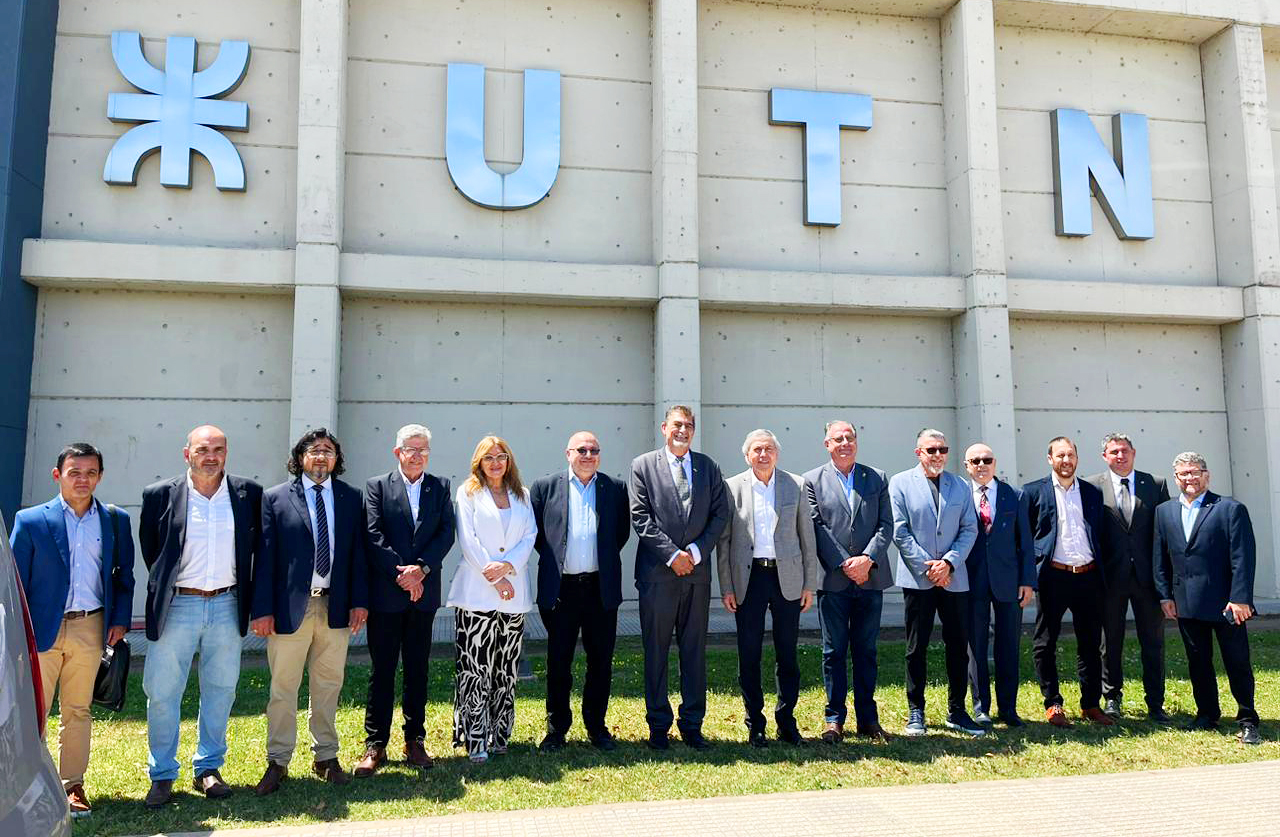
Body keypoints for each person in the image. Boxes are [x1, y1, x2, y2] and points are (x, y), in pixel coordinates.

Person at [138, 426, 262, 808]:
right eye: (203, 449)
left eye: (219, 449)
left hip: (227, 603)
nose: (211, 456)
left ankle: (208, 767)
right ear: (186, 453)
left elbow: (254, 546)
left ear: (227, 453)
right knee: (162, 693)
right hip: (179, 605)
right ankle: (162, 774)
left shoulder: (247, 494)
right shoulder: (160, 494)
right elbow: (152, 550)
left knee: (221, 690)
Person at [10, 442, 134, 817]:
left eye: (91, 473)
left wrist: (120, 619)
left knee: (77, 710)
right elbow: (14, 581)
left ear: (100, 476)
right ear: (57, 475)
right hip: (41, 630)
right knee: (33, 712)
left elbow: (123, 577)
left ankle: (71, 786)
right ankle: (25, 785)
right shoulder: (30, 521)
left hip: (90, 626)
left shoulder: (115, 521)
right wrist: (17, 631)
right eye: (74, 472)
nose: (83, 480)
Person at [251, 428, 369, 794]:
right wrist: (263, 610)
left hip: (334, 606)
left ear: (337, 459)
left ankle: (326, 756)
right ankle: (278, 759)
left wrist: (360, 602)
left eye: (328, 451)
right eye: (314, 450)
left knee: (328, 685)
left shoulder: (351, 498)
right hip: (289, 611)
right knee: (283, 687)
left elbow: (358, 555)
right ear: (300, 457)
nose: (321, 457)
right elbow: (265, 558)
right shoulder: (275, 498)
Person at [356, 424, 455, 776]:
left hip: (423, 594)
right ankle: (375, 744)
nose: (417, 455)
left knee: (417, 669)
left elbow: (447, 532)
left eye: (423, 449)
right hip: (387, 593)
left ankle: (414, 740)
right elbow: (372, 533)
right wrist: (402, 574)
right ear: (397, 452)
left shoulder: (440, 487)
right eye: (411, 449)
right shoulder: (377, 486)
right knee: (381, 671)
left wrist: (422, 570)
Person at [629, 405, 730, 751]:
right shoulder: (642, 466)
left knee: (693, 652)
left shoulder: (708, 467)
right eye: (677, 424)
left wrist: (696, 554)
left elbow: (721, 514)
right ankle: (658, 725)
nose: (682, 430)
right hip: (658, 576)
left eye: (688, 425)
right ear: (663, 428)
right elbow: (640, 518)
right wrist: (673, 556)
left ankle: (692, 724)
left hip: (696, 577)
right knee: (655, 652)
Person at [530, 430, 630, 752]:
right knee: (559, 662)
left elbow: (620, 534)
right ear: (568, 453)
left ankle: (596, 727)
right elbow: (537, 536)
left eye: (594, 450)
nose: (588, 455)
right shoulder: (545, 488)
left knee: (600, 661)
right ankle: (556, 729)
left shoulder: (614, 488)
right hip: (562, 591)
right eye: (582, 450)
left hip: (600, 589)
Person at [717, 429, 817, 746]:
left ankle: (786, 721)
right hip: (749, 579)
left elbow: (807, 539)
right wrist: (727, 587)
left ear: (777, 453)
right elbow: (725, 542)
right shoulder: (732, 488)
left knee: (787, 654)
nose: (764, 454)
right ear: (747, 455)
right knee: (749, 654)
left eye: (769, 449)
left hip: (787, 579)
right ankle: (755, 723)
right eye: (757, 449)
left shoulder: (796, 485)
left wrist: (809, 584)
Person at [1153, 452, 1261, 745]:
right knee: (1198, 662)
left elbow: (1243, 558)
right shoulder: (1164, 512)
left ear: (1207, 475)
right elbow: (1160, 558)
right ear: (1176, 478)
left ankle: (1248, 719)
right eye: (1183, 474)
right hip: (1186, 602)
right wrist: (1165, 596)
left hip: (1227, 604)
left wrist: (1240, 599)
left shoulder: (1229, 509)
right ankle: (1207, 714)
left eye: (1195, 472)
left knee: (1237, 662)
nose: (1190, 478)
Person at [803, 420, 894, 743]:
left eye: (850, 438)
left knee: (866, 651)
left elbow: (886, 525)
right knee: (834, 652)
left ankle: (868, 719)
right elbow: (816, 527)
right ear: (826, 444)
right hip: (834, 580)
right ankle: (834, 719)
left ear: (857, 442)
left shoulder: (877, 478)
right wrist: (845, 563)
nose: (845, 443)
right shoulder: (812, 481)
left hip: (871, 578)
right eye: (837, 439)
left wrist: (867, 560)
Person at [448, 435, 537, 764]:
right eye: (489, 458)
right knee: (475, 669)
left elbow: (530, 536)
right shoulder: (467, 492)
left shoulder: (522, 495)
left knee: (505, 669)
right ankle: (474, 738)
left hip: (514, 594)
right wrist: (495, 577)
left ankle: (499, 735)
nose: (496, 462)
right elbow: (468, 540)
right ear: (479, 463)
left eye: (501, 456)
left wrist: (508, 567)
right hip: (476, 592)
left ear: (509, 461)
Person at [889, 429, 982, 737]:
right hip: (919, 579)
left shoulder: (960, 485)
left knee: (958, 646)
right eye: (932, 450)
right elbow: (900, 532)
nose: (938, 455)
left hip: (954, 578)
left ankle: (958, 710)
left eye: (943, 449)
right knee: (917, 647)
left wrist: (950, 563)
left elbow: (969, 528)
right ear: (919, 453)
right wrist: (929, 567)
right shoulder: (901, 483)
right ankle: (916, 711)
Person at [1023, 436, 1113, 727]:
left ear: (1077, 458)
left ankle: (1090, 704)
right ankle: (1053, 704)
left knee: (1090, 643)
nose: (1066, 460)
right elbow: (1026, 540)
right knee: (1045, 642)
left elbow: (1099, 533)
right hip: (1053, 576)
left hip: (1087, 575)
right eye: (1060, 455)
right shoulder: (1033, 492)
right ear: (1050, 459)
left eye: (1071, 455)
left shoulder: (1091, 492)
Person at [1085, 433, 1171, 721]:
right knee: (1110, 641)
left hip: (1147, 579)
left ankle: (1155, 702)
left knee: (1153, 641)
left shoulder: (1155, 484)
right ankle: (1112, 697)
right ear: (1104, 456)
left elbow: (1164, 533)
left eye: (1124, 451)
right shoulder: (1091, 486)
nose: (1120, 456)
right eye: (1113, 452)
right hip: (1109, 578)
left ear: (1134, 453)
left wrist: (1166, 579)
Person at [962, 442, 1035, 727]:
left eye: (987, 460)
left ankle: (1008, 708)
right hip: (971, 581)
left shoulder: (1013, 495)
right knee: (975, 647)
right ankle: (981, 707)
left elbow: (1025, 542)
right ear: (967, 466)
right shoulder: (960, 496)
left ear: (995, 463)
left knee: (1008, 645)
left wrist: (1028, 580)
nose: (981, 465)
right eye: (975, 460)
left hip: (1008, 582)